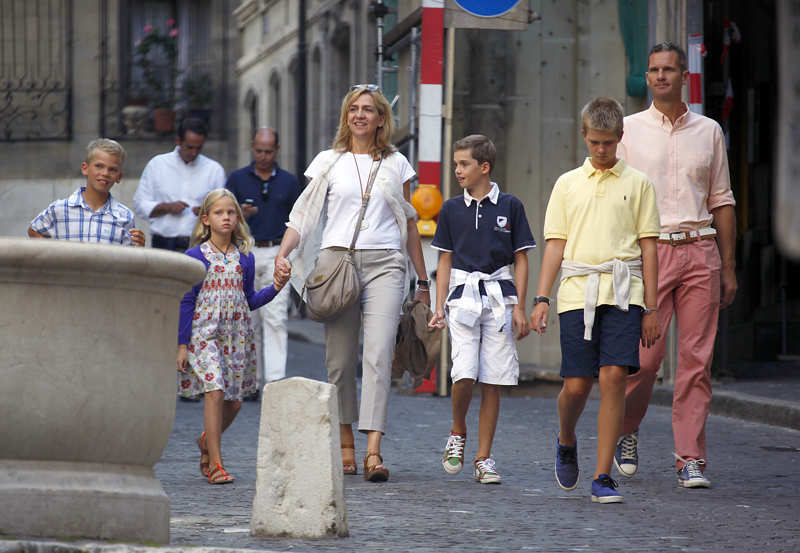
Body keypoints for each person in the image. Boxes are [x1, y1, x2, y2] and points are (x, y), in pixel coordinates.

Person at [274, 84, 430, 482]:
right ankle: (345, 440)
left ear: (381, 118)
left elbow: (408, 222)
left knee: (377, 355)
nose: (360, 115)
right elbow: (303, 216)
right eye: (353, 109)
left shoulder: (398, 164)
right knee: (340, 362)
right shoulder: (328, 161)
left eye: (368, 110)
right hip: (337, 262)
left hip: (385, 264)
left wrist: (423, 279)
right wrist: (283, 252)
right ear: (347, 117)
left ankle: (373, 452)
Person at [614, 42, 737, 488]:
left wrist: (728, 265)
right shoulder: (627, 131)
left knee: (695, 361)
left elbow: (722, 200)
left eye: (669, 69)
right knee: (643, 363)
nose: (660, 76)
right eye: (653, 70)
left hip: (701, 249)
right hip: (650, 253)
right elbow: (617, 200)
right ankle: (627, 427)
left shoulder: (709, 132)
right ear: (647, 77)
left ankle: (690, 458)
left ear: (684, 75)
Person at [530, 97, 661, 503]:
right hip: (576, 292)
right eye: (595, 143)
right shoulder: (567, 184)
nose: (602, 150)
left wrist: (652, 307)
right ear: (583, 136)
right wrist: (541, 298)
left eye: (609, 143)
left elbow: (649, 248)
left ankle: (603, 476)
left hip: (624, 292)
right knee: (576, 384)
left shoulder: (638, 183)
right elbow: (555, 245)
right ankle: (566, 438)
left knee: (614, 378)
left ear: (621, 138)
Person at [428, 134, 535, 485]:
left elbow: (521, 258)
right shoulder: (450, 209)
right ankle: (458, 428)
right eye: (456, 164)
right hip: (461, 297)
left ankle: (483, 458)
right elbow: (444, 259)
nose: (457, 170)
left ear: (484, 167)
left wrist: (519, 305)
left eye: (464, 164)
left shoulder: (511, 205)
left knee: (493, 380)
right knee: (465, 374)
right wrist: (438, 305)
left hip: (500, 299)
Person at [176, 188, 291, 484]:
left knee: (235, 402)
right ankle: (216, 463)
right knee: (214, 390)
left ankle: (205, 441)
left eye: (230, 212)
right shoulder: (194, 257)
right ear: (206, 220)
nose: (226, 217)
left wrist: (276, 288)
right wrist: (182, 344)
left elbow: (248, 299)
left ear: (237, 218)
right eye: (219, 213)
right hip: (205, 333)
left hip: (237, 335)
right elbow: (187, 301)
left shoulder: (245, 259)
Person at [226, 128, 300, 394]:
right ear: (251, 148)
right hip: (246, 252)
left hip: (278, 251)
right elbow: (222, 216)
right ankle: (251, 381)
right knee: (248, 319)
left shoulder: (290, 182)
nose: (264, 156)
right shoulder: (236, 179)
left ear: (277, 150)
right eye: (259, 151)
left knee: (276, 317)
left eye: (269, 151)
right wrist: (239, 215)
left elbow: (299, 221)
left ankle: (275, 382)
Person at [28, 138, 145, 247]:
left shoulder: (125, 216)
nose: (105, 173)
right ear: (85, 168)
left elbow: (128, 257)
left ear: (119, 177)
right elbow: (34, 230)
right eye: (99, 166)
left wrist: (139, 247)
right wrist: (54, 255)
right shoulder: (59, 208)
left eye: (112, 169)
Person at [134, 117, 225, 252]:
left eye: (198, 148)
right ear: (178, 141)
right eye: (189, 147)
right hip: (163, 243)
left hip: (200, 243)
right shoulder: (157, 165)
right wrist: (166, 207)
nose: (194, 152)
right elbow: (139, 204)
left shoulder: (214, 170)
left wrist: (206, 212)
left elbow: (223, 211)